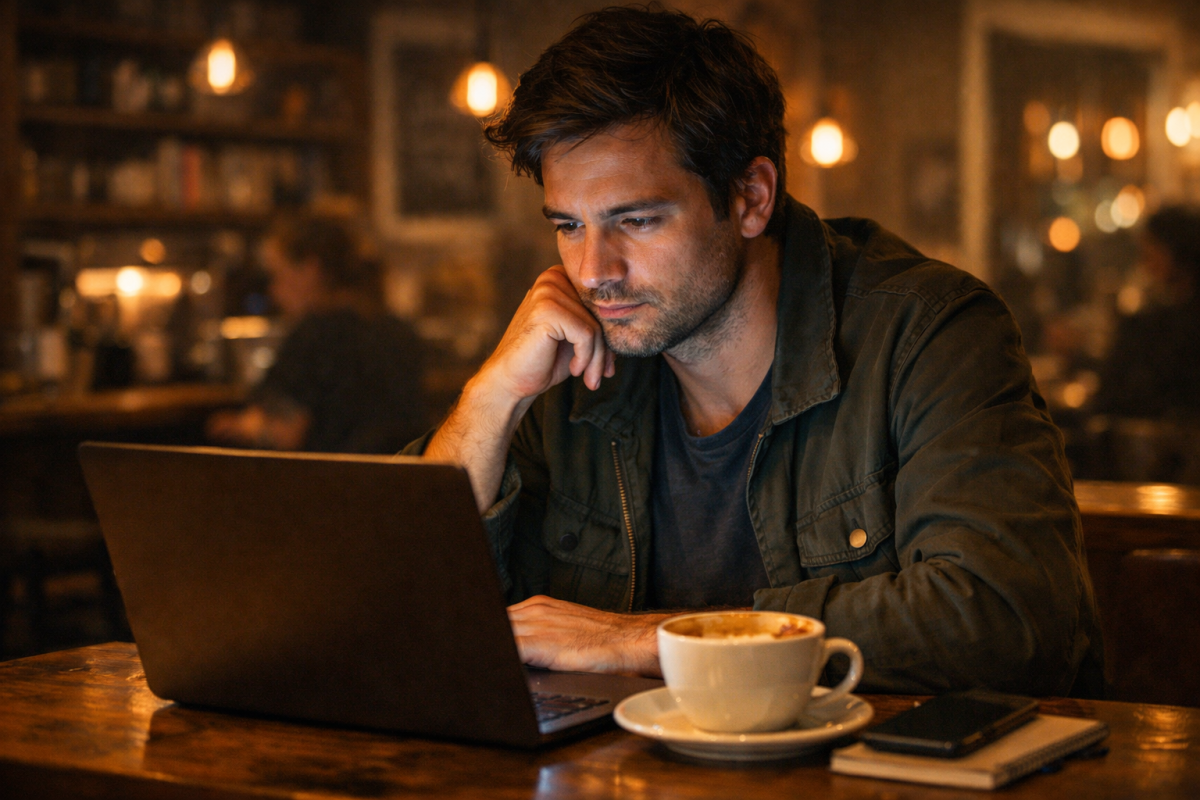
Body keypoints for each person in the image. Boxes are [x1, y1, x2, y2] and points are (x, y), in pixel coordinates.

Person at [404, 6, 1103, 696]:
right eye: (568, 225)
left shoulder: (929, 333)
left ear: (751, 197)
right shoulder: (572, 366)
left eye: (637, 220)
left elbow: (1007, 618)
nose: (593, 270)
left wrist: (649, 642)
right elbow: (400, 601)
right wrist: (491, 397)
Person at [208, 214, 425, 454]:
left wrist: (239, 428)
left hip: (332, 482)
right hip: (400, 480)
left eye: (277, 275)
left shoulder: (315, 334)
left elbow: (286, 435)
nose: (272, 291)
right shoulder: (400, 332)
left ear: (311, 270)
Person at [1095, 205, 1200, 420]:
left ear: (1176, 249)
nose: (1145, 264)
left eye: (1151, 252)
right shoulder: (1167, 310)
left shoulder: (1176, 322)